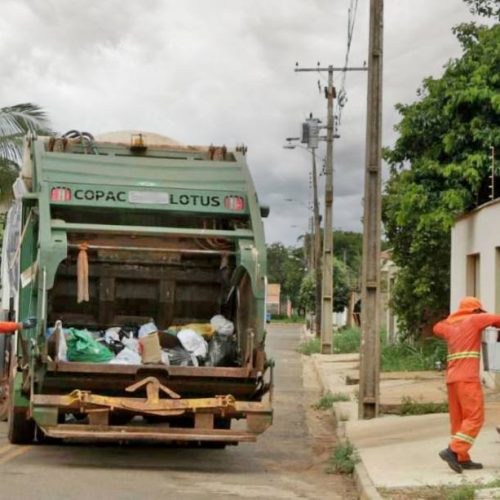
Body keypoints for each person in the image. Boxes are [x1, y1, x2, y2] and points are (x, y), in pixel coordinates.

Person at [433, 297, 500, 473]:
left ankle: (462, 458)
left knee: (459, 420)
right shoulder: (474, 319)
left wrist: (453, 318)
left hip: (452, 379)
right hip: (467, 379)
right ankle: (453, 450)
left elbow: (436, 327)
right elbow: (496, 319)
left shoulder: (449, 326)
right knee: (475, 418)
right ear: (476, 310)